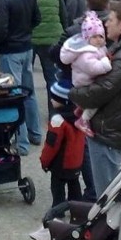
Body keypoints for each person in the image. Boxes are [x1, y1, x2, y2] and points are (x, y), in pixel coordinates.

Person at [69, 2, 121, 196]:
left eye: (111, 20)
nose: (106, 25)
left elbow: (101, 91)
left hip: (108, 131)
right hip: (112, 127)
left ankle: (115, 228)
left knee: (108, 196)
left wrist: (71, 94)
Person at [0, 0, 41, 155]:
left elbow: (1, 29)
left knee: (14, 95)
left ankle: (21, 143)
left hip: (11, 49)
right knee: (29, 92)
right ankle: (35, 133)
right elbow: (37, 19)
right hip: (26, 47)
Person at [22, 0, 66, 111]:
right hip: (53, 38)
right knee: (53, 78)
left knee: (25, 79)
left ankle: (27, 114)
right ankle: (55, 114)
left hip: (30, 38)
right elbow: (63, 14)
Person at [59, 11, 112, 137]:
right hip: (84, 82)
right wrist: (106, 63)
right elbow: (93, 68)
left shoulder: (97, 49)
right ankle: (83, 120)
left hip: (87, 80)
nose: (98, 40)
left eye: (101, 36)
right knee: (97, 101)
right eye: (94, 37)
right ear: (87, 38)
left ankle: (80, 110)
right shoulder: (86, 53)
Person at [39, 79, 85, 208]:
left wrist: (44, 161)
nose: (51, 100)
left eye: (54, 98)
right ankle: (78, 210)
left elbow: (51, 146)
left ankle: (58, 210)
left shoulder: (57, 121)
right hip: (76, 162)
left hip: (60, 164)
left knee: (57, 188)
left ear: (63, 102)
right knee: (74, 186)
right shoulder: (80, 117)